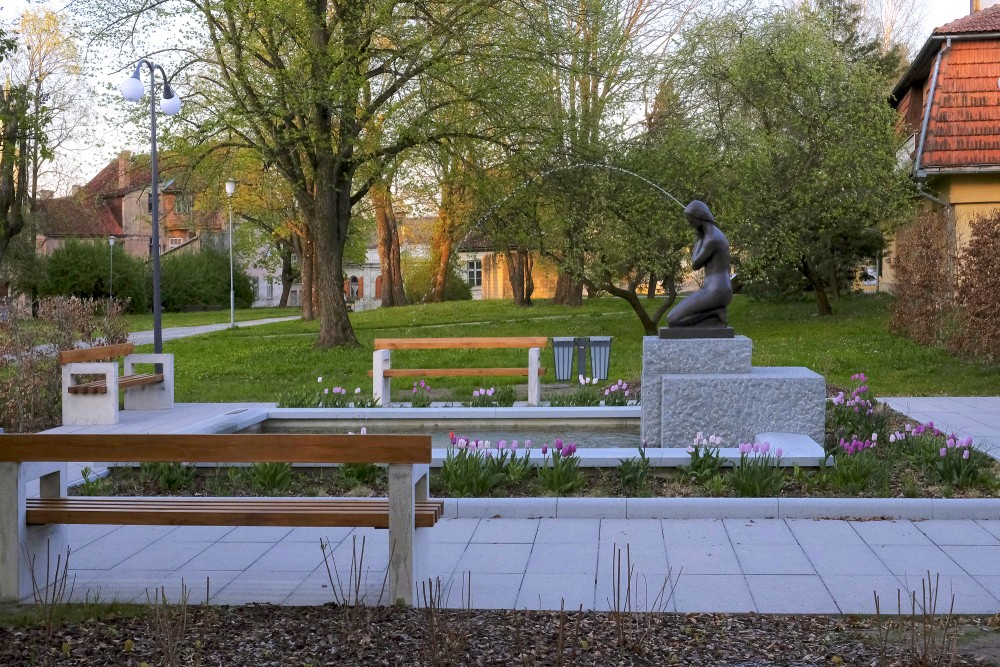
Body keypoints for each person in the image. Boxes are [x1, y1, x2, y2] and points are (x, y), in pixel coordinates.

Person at [667, 200, 733, 328]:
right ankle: (715, 312)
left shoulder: (712, 239)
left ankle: (715, 311)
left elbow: (695, 264)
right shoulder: (711, 235)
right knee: (672, 320)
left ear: (699, 218)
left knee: (672, 320)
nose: (690, 224)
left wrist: (698, 239)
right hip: (712, 289)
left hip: (717, 291)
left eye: (691, 221)